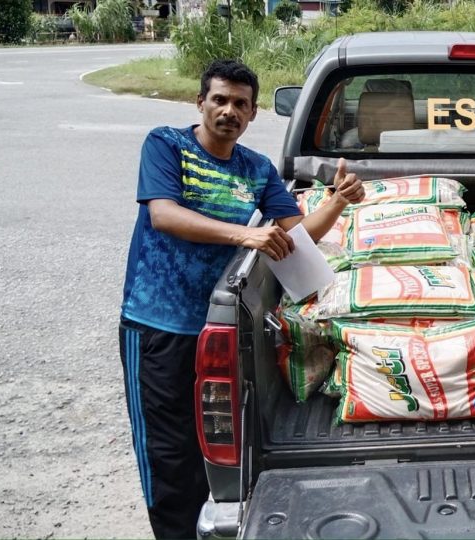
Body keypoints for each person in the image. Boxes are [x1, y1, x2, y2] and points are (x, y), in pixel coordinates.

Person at [117, 59, 364, 539]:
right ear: (201, 103)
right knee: (168, 455)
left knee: (219, 448)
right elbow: (164, 215)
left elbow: (297, 238)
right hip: (158, 326)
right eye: (220, 100)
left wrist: (336, 201)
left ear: (252, 114)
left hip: (219, 329)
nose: (229, 110)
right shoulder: (167, 145)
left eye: (240, 104)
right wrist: (245, 236)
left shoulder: (256, 168)